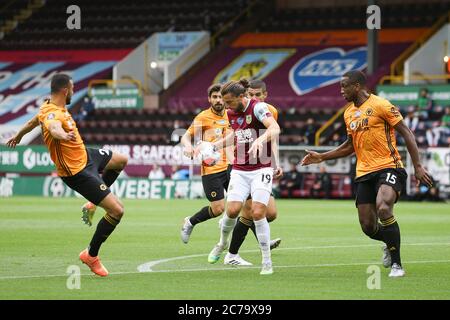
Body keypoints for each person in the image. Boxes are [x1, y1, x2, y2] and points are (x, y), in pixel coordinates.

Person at [301, 70, 433, 278]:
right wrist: (321, 157)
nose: (341, 90)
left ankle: (397, 265)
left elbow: (407, 133)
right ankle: (388, 242)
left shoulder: (381, 105)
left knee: (384, 207)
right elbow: (349, 146)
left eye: (345, 86)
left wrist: (417, 166)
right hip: (364, 172)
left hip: (389, 165)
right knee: (368, 227)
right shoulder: (348, 113)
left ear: (357, 86)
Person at [6, 73, 128, 277]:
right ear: (65, 90)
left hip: (85, 155)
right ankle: (91, 255)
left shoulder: (48, 108)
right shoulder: (53, 114)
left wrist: (18, 136)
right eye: (72, 88)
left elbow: (33, 122)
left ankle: (92, 204)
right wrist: (63, 135)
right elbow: (54, 129)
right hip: (76, 172)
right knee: (117, 211)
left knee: (121, 160)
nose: (73, 91)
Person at [201, 78, 281, 275]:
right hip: (239, 169)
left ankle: (266, 262)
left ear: (241, 97)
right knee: (232, 210)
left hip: (261, 168)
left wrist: (260, 140)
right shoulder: (231, 113)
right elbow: (235, 135)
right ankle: (221, 244)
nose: (226, 106)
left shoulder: (258, 107)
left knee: (258, 212)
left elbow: (275, 128)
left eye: (229, 102)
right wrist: (214, 146)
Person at [224, 79, 282, 266]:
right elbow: (235, 135)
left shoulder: (267, 110)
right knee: (251, 211)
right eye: (252, 94)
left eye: (258, 94)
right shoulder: (235, 111)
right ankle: (231, 252)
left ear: (265, 95)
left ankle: (233, 251)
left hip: (261, 166)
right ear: (245, 94)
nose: (254, 97)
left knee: (269, 213)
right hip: (243, 167)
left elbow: (273, 135)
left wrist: (276, 162)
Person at [179, 84, 232, 244]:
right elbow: (185, 136)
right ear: (209, 99)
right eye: (214, 97)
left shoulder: (232, 114)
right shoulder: (203, 117)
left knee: (245, 205)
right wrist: (188, 146)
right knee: (218, 209)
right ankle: (190, 222)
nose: (218, 100)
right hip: (211, 169)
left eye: (220, 97)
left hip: (231, 166)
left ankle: (264, 241)